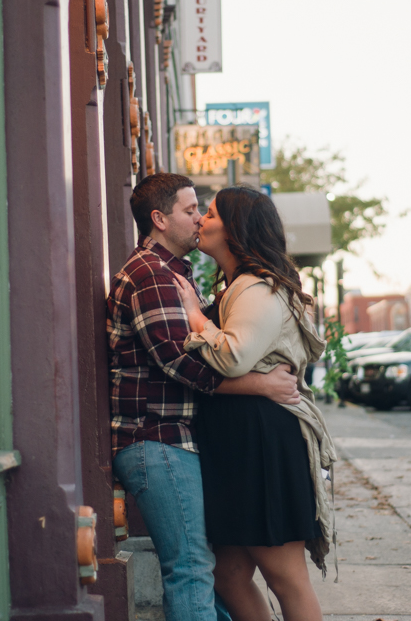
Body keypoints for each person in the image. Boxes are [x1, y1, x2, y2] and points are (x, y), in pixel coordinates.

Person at [108, 174, 302, 621]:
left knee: (211, 572)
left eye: (203, 210)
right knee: (192, 569)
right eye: (191, 209)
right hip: (156, 439)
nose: (199, 219)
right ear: (159, 219)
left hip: (178, 440)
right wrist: (258, 384)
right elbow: (181, 363)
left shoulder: (177, 273)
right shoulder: (151, 274)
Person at [171, 185, 336, 621]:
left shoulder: (256, 287)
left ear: (235, 227)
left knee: (286, 578)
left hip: (261, 443)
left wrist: (194, 315)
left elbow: (232, 356)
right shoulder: (237, 286)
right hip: (239, 441)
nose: (200, 221)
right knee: (228, 574)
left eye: (209, 213)